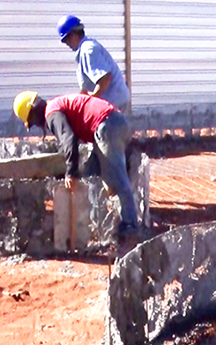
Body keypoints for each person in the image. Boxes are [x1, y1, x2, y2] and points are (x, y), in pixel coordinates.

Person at [12, 90, 139, 238]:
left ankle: (130, 226)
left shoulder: (52, 113)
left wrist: (70, 172)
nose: (38, 125)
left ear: (33, 113)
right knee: (90, 175)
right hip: (111, 122)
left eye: (33, 122)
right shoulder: (56, 105)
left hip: (108, 125)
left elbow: (69, 140)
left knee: (117, 178)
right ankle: (95, 223)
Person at [56, 14, 131, 113]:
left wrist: (91, 99)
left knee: (110, 128)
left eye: (66, 40)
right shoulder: (84, 50)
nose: (67, 44)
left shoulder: (88, 50)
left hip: (115, 105)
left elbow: (105, 78)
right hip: (112, 105)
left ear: (74, 35)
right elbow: (86, 87)